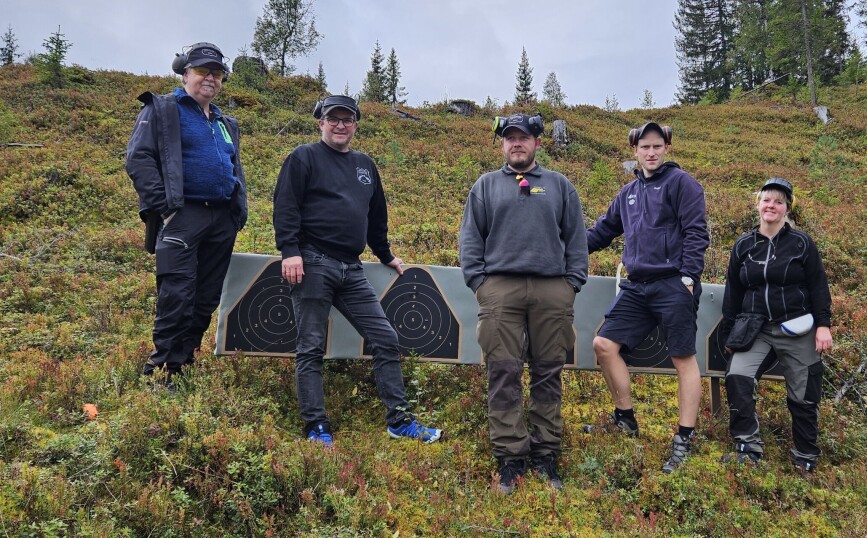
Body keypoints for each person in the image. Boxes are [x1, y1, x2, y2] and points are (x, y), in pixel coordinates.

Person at [273, 95, 442, 447]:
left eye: (346, 119)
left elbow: (375, 216)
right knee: (311, 348)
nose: (339, 125)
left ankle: (399, 421)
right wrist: (290, 251)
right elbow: (286, 206)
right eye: (332, 118)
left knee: (385, 338)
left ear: (355, 124)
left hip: (352, 269)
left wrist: (385, 254)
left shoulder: (365, 165)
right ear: (320, 122)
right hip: (312, 263)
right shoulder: (303, 157)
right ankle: (316, 427)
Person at [459, 113, 588, 493]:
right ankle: (511, 458)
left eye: (523, 137)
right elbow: (470, 241)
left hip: (552, 292)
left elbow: (577, 239)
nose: (516, 143)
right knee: (503, 373)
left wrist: (571, 284)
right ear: (502, 144)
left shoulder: (560, 186)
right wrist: (481, 285)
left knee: (549, 372)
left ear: (537, 142)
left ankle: (546, 453)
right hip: (500, 291)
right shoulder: (484, 187)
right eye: (509, 138)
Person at [587, 122, 709, 474]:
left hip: (673, 284)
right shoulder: (628, 193)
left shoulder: (681, 184)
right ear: (634, 152)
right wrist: (560, 245)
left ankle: (684, 438)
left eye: (657, 146)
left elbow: (696, 232)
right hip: (637, 287)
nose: (651, 153)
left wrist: (688, 278)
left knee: (683, 358)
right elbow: (600, 234)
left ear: (666, 148)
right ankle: (626, 419)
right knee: (604, 345)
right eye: (645, 148)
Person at [126, 42, 247, 386]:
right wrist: (165, 209)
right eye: (203, 71)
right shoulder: (163, 109)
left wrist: (238, 212)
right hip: (183, 214)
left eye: (217, 73)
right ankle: (160, 370)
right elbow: (138, 159)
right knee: (177, 292)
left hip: (222, 218)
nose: (210, 78)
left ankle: (183, 363)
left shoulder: (225, 121)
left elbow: (234, 165)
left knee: (206, 295)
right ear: (185, 73)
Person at [721, 177, 833, 476]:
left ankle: (805, 455)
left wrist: (823, 325)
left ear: (787, 209)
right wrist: (730, 334)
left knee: (804, 391)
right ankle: (748, 447)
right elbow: (732, 292)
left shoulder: (801, 243)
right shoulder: (744, 244)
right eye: (767, 200)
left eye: (779, 201)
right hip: (756, 328)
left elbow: (818, 286)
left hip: (797, 328)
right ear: (758, 205)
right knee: (737, 376)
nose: (772, 205)